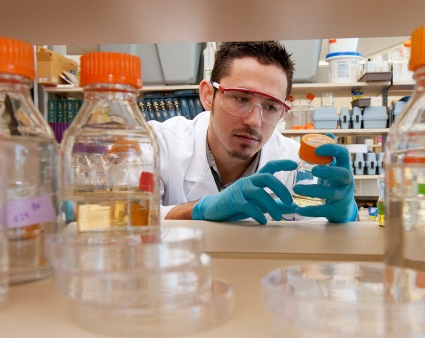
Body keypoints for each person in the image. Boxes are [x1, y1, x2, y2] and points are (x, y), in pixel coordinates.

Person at [148, 41, 357, 225]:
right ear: (208, 95)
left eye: (271, 107)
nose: (254, 121)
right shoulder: (160, 144)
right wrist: (199, 209)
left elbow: (319, 255)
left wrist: (344, 217)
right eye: (241, 98)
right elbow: (125, 220)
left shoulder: (296, 164)